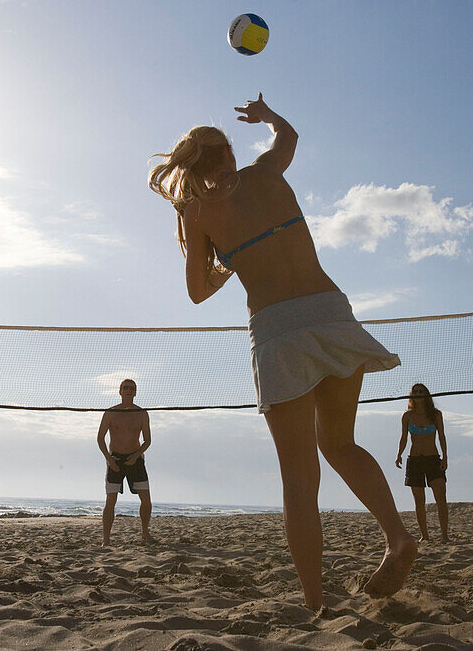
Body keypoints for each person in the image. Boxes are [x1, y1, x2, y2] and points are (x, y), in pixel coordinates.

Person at [149, 94, 417, 609]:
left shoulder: (196, 212)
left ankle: (316, 603)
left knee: (298, 477)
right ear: (228, 153)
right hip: (331, 311)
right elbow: (290, 138)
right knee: (339, 443)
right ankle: (397, 536)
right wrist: (268, 117)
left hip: (276, 327)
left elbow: (197, 292)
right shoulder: (266, 173)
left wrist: (231, 258)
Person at [96, 378, 152, 546]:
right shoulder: (111, 412)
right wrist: (109, 458)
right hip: (115, 460)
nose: (128, 390)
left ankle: (145, 533)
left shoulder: (142, 413)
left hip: (135, 459)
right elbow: (100, 438)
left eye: (132, 388)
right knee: (110, 501)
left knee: (146, 500)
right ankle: (106, 539)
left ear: (135, 392)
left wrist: (136, 456)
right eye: (125, 388)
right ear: (120, 391)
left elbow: (147, 440)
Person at [395, 383, 449, 543]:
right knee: (419, 500)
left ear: (426, 395)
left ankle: (444, 535)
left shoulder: (436, 414)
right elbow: (404, 437)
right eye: (415, 392)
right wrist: (399, 454)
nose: (418, 394)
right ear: (411, 395)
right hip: (415, 461)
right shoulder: (407, 416)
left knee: (441, 497)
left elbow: (442, 436)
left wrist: (445, 457)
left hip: (433, 459)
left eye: (421, 391)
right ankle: (424, 535)